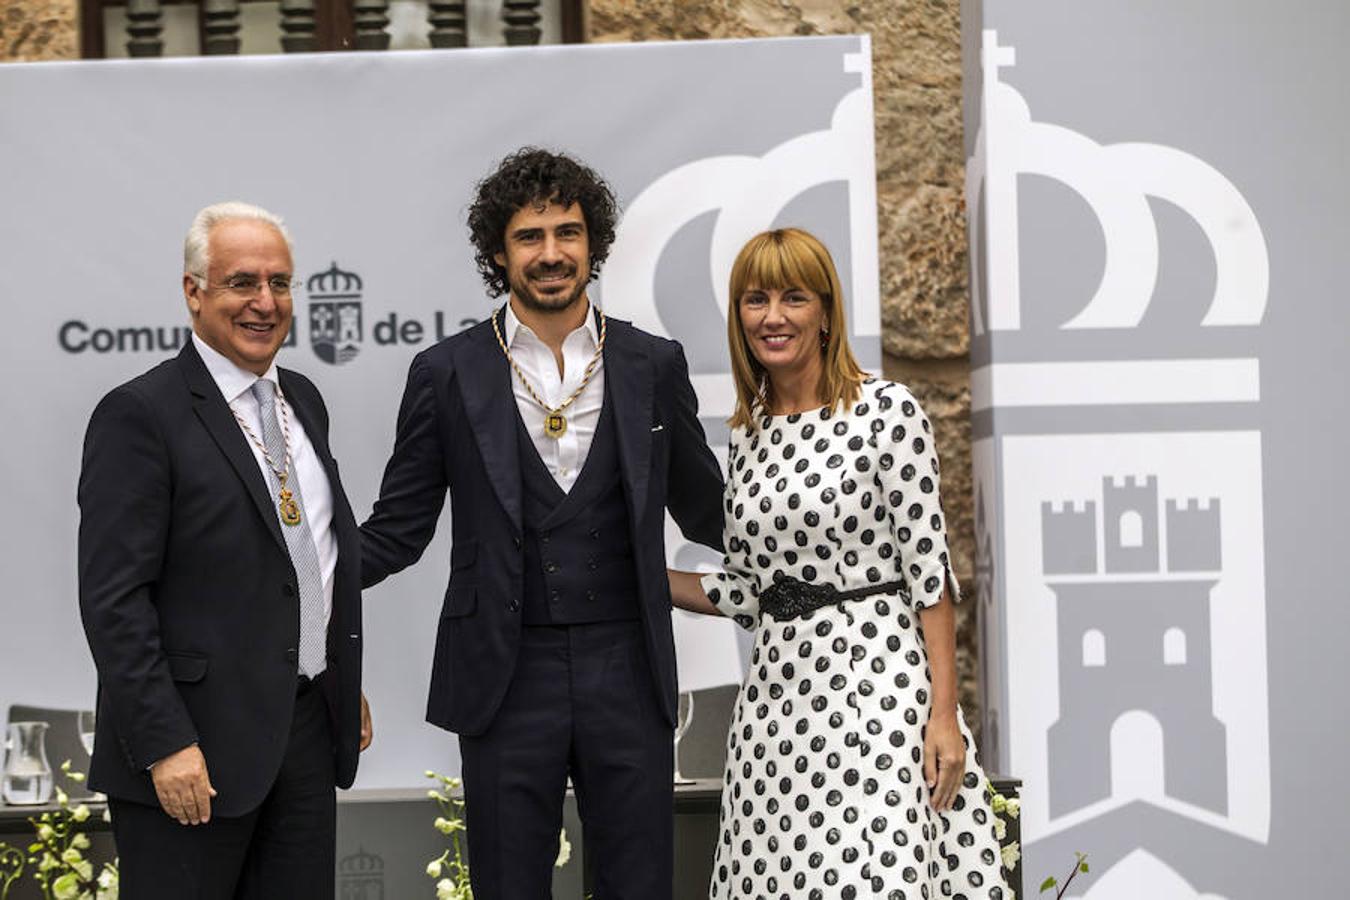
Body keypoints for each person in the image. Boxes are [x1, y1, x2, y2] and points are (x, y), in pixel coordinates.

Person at [360, 147, 724, 898]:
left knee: (640, 886)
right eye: (530, 236)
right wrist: (288, 571)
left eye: (568, 232)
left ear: (594, 244)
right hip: (502, 671)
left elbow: (710, 509)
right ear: (499, 251)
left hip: (628, 665)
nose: (552, 254)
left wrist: (824, 540)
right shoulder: (446, 371)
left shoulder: (651, 364)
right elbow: (397, 530)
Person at [669, 228, 1008, 899]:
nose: (773, 317)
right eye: (755, 299)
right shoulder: (749, 433)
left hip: (877, 690)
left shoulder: (887, 412)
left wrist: (944, 713)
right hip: (776, 708)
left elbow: (929, 572)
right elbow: (751, 590)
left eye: (794, 297)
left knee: (874, 880)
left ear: (826, 310)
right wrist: (633, 577)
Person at [78, 202, 371, 900]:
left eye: (280, 283)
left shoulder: (303, 399)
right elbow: (114, 600)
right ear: (194, 292)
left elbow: (298, 557)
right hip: (191, 756)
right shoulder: (140, 415)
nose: (265, 303)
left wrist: (332, 673)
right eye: (243, 282)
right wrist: (164, 744)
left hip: (301, 736)